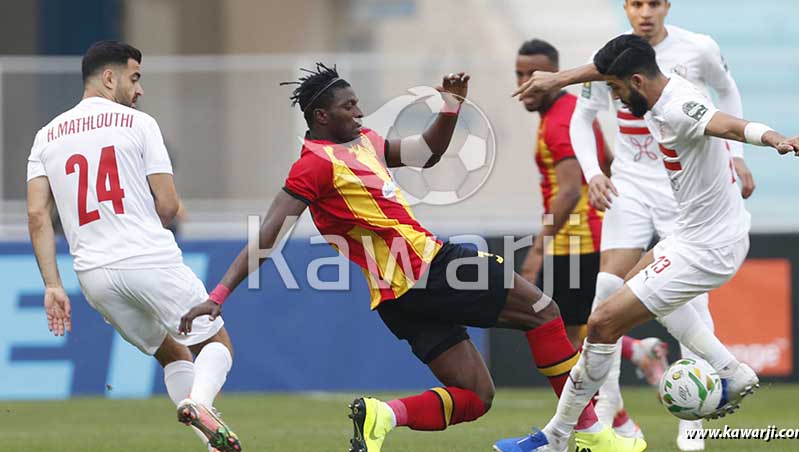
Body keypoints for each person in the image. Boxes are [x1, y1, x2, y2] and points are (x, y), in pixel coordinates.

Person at [178, 63, 644, 452]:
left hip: (396, 298)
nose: (360, 111)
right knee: (544, 313)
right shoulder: (315, 165)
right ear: (321, 116)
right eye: (348, 106)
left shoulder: (365, 142)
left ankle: (382, 416)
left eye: (358, 102)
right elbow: (268, 233)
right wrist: (218, 295)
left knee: (475, 396)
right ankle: (588, 433)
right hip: (429, 268)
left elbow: (425, 154)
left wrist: (450, 106)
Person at [499, 34, 799, 452]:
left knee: (603, 322)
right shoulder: (654, 83)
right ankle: (729, 370)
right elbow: (607, 66)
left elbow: (728, 123)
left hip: (707, 248)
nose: (618, 100)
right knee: (630, 285)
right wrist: (561, 78)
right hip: (692, 234)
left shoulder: (679, 106)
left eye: (618, 90)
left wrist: (774, 138)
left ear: (638, 81)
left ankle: (554, 440)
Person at [528, 0, 757, 449]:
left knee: (689, 299)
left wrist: (738, 158)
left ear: (666, 6)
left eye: (654, 4)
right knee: (606, 292)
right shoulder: (611, 59)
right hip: (631, 185)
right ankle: (608, 410)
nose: (646, 12)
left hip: (683, 190)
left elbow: (728, 95)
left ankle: (694, 419)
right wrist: (594, 174)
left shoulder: (697, 49)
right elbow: (583, 118)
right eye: (637, 4)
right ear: (626, 7)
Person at [26, 41, 240, 452]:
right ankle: (200, 403)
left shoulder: (45, 136)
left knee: (174, 355)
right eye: (135, 77)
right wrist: (142, 228)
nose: (139, 90)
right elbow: (170, 205)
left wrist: (53, 284)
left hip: (92, 275)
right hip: (146, 256)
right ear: (110, 78)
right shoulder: (138, 124)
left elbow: (37, 215)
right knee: (215, 344)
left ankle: (213, 444)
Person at [514, 39, 609, 350]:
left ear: (553, 75)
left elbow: (568, 192)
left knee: (562, 335)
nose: (526, 83)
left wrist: (538, 249)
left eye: (534, 75)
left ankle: (586, 400)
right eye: (519, 74)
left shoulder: (559, 121)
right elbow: (606, 159)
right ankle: (639, 351)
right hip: (588, 237)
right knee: (584, 327)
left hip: (575, 241)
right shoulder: (573, 111)